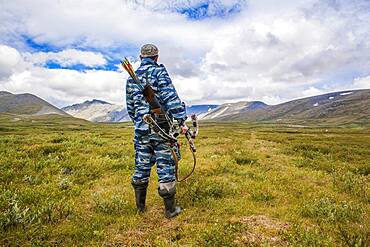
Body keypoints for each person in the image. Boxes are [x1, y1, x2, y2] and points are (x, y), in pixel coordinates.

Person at [125, 44, 187, 218]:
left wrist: (139, 121)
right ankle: (170, 210)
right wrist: (181, 119)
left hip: (141, 130)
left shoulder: (131, 78)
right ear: (156, 58)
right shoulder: (159, 72)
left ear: (140, 57)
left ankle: (140, 208)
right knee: (166, 166)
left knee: (141, 166)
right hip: (161, 130)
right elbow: (170, 98)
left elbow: (130, 108)